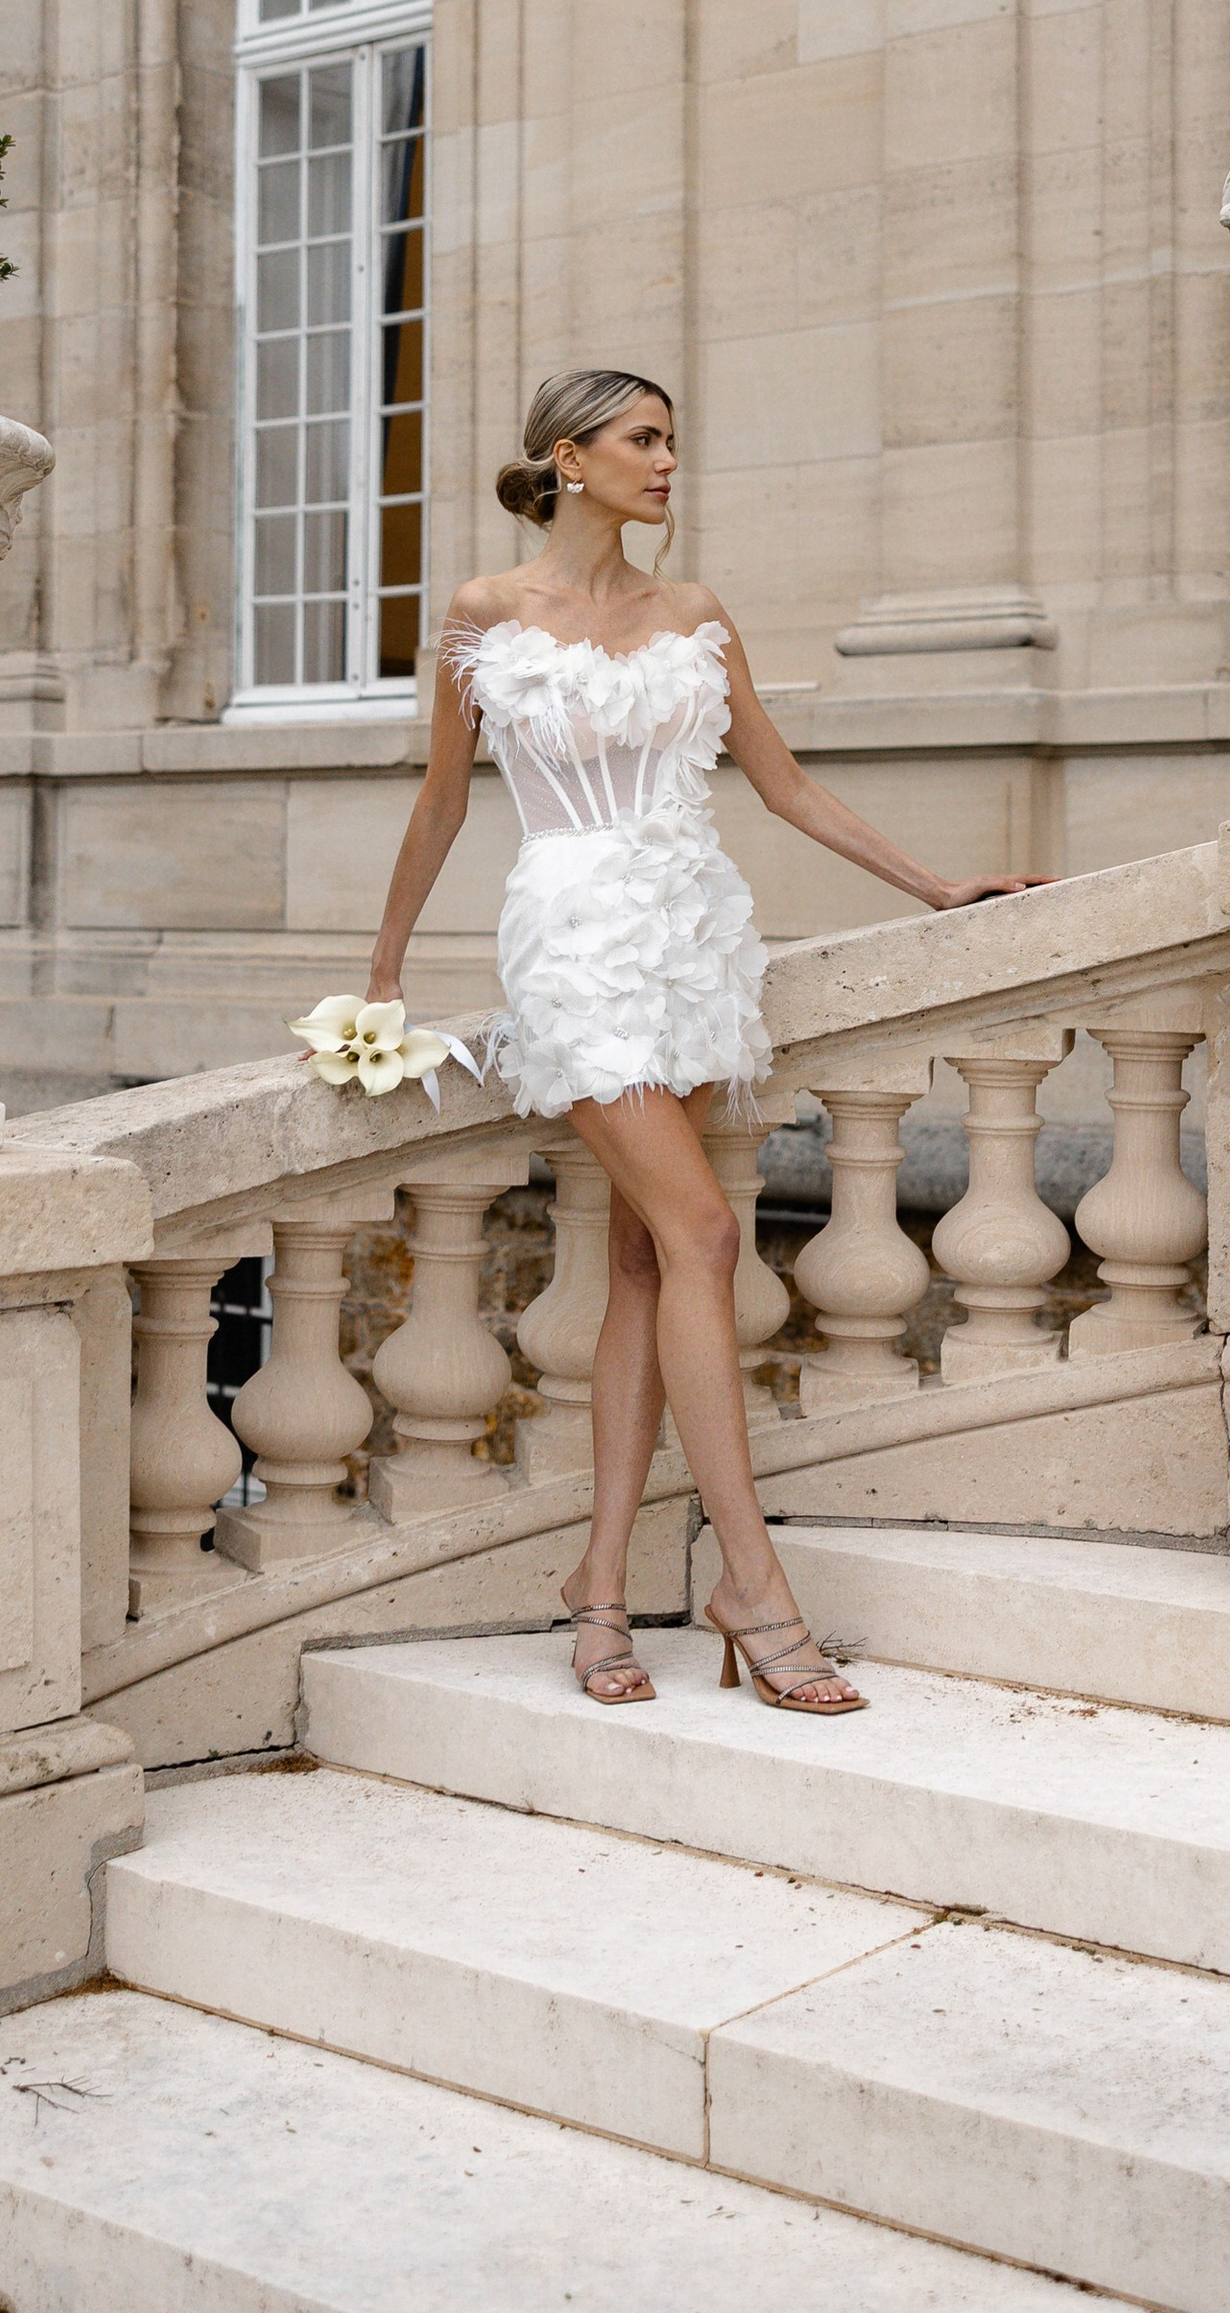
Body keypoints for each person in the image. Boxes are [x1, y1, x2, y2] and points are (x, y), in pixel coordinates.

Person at [365, 365, 1036, 1717]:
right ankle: (753, 1586)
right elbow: (442, 802)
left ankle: (598, 1590)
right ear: (568, 457)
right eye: (643, 440)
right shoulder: (485, 615)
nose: (668, 463)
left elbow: (780, 785)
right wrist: (378, 981)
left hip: (691, 937)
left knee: (639, 1257)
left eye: (672, 441)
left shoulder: (696, 613)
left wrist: (930, 885)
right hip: (571, 936)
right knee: (708, 1238)